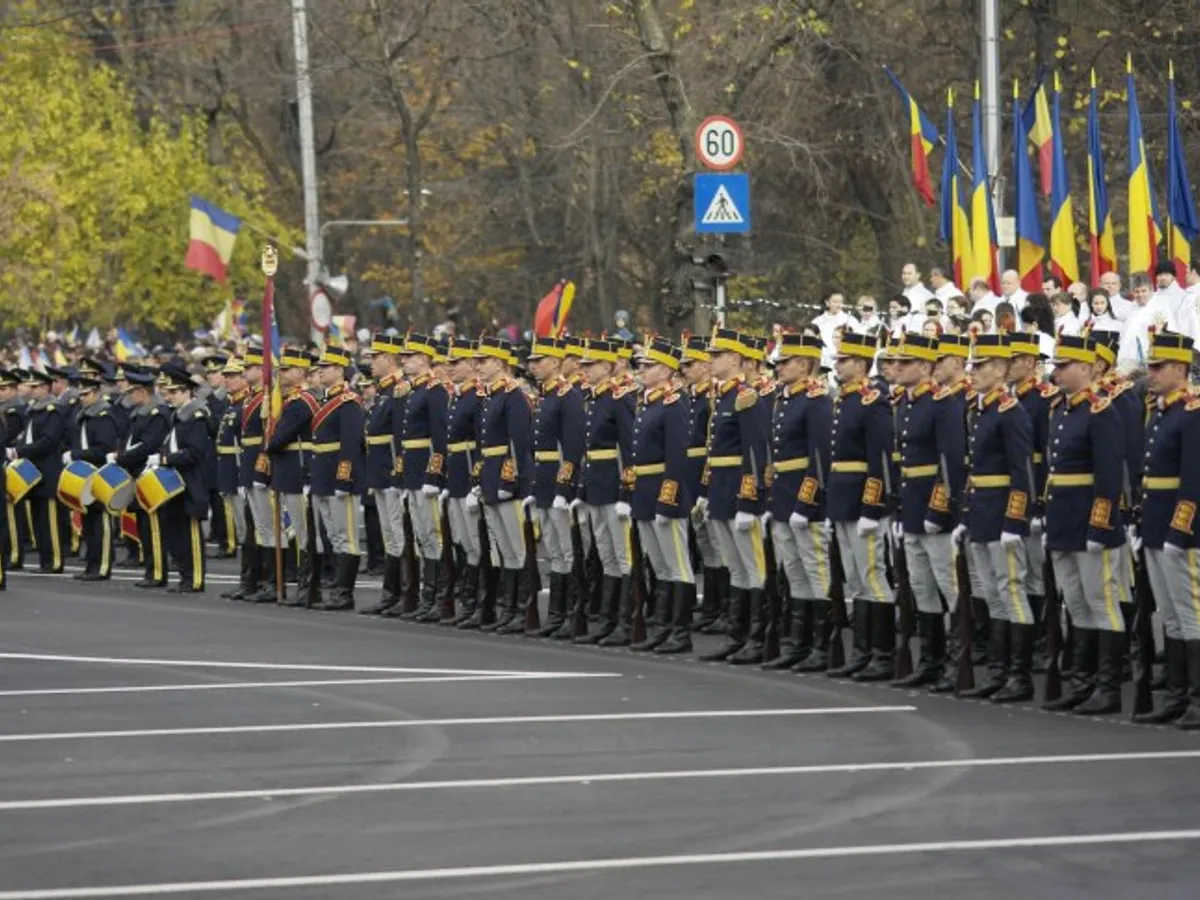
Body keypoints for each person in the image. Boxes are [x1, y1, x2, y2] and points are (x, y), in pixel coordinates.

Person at [1042, 334, 1129, 715]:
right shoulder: (1060, 410)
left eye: (1063, 366)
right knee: (1075, 604)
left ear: (1084, 368)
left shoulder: (1100, 411)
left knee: (1101, 601)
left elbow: (1109, 477)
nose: (1057, 372)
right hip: (1063, 519)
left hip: (1090, 522)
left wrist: (1100, 525)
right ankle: (1083, 680)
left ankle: (1107, 688)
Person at [957, 334, 1036, 701]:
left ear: (1002, 369)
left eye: (981, 366)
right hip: (982, 512)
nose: (973, 372)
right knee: (992, 594)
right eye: (972, 365)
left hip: (1003, 510)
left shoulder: (1010, 412)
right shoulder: (983, 409)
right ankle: (1000, 670)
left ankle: (1019, 676)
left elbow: (1022, 473)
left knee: (1011, 591)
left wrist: (1014, 521)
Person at [888, 332, 966, 688]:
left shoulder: (942, 403)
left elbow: (949, 462)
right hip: (911, 507)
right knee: (921, 587)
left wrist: (939, 509)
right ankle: (930, 660)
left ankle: (957, 661)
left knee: (949, 587)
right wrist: (902, 512)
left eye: (905, 363)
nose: (897, 368)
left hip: (935, 511)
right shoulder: (904, 403)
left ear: (924, 367)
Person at [821, 332, 895, 679]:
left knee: (873, 577)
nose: (837, 364)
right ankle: (862, 651)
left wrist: (872, 507)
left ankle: (882, 654)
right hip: (842, 499)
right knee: (855, 579)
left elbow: (879, 459)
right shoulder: (842, 400)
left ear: (862, 364)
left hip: (863, 501)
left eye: (844, 360)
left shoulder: (872, 401)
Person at [1137, 332, 1199, 727]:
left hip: (1183, 531)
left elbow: (1192, 480)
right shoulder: (1160, 411)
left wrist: (1180, 532)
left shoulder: (1191, 412)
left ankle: (1196, 697)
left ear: (1179, 369)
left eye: (1159, 367)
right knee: (1171, 615)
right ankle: (1177, 694)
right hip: (1157, 524)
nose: (1152, 373)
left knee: (1192, 615)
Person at [762, 332, 834, 671]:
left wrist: (806, 504)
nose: (779, 368)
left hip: (804, 498)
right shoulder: (785, 399)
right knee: (794, 572)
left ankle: (822, 646)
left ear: (805, 365)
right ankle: (798, 642)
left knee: (816, 570)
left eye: (786, 362)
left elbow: (818, 457)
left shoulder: (816, 400)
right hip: (783, 494)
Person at [625, 337, 694, 652]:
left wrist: (668, 497)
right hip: (644, 491)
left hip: (665, 493)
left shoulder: (673, 403)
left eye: (650, 365)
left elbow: (677, 456)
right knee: (660, 564)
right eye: (642, 365)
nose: (643, 369)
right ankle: (663, 628)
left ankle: (679, 633)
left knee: (677, 563)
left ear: (667, 370)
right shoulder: (649, 401)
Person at [525, 336, 585, 638]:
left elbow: (572, 447)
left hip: (559, 480)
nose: (534, 366)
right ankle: (557, 615)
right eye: (533, 362)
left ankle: (573, 615)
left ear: (556, 363)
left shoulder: (567, 396)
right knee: (555, 552)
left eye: (540, 361)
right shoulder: (546, 395)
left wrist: (564, 487)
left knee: (567, 550)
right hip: (544, 479)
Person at [474, 336, 535, 633]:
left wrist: (509, 480)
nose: (478, 367)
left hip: (505, 478)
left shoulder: (513, 396)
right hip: (491, 474)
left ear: (499, 363)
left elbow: (519, 443)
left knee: (518, 548)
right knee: (505, 549)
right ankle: (509, 607)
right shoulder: (492, 395)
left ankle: (524, 609)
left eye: (483, 361)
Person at [394, 333, 449, 622]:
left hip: (426, 468)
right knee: (422, 536)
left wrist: (435, 472)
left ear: (425, 359)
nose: (405, 360)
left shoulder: (434, 390)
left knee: (434, 535)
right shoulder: (413, 390)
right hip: (413, 471)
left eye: (410, 356)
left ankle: (438, 597)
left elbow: (440, 437)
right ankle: (427, 596)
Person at [260, 348, 319, 606]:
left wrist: (268, 444)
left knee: (303, 532)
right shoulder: (289, 400)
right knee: (294, 529)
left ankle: (308, 587)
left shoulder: (301, 402)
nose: (281, 375)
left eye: (286, 370)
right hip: (287, 470)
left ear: (300, 372)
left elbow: (280, 437)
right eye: (280, 370)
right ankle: (300, 585)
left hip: (297, 470)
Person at [310, 345, 366, 611]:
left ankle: (344, 593)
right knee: (333, 534)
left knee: (347, 536)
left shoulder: (349, 402)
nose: (319, 372)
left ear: (339, 370)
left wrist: (344, 478)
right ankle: (336, 587)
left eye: (325, 368)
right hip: (323, 474)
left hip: (339, 476)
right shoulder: (324, 400)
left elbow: (351, 443)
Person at [152, 363, 211, 593]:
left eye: (174, 392)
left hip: (191, 481)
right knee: (175, 532)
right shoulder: (178, 416)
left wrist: (165, 460)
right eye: (168, 392)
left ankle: (194, 578)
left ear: (187, 391)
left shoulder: (196, 416)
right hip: (174, 482)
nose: (170, 396)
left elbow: (194, 452)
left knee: (191, 534)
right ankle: (184, 575)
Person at [360, 332, 404, 616]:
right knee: (389, 535)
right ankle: (391, 593)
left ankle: (399, 593)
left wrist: (397, 471)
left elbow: (400, 436)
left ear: (389, 359)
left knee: (398, 535)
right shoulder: (384, 391)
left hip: (391, 471)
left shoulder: (398, 391)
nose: (371, 363)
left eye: (376, 358)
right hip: (379, 471)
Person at [67, 368, 119, 581]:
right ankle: (91, 564)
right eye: (80, 395)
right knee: (88, 522)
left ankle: (103, 565)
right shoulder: (83, 415)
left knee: (102, 522)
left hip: (100, 472)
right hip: (84, 473)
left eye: (86, 394)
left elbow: (104, 447)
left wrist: (76, 454)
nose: (82, 398)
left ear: (97, 393)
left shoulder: (103, 414)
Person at [11, 369, 65, 573]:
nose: (31, 390)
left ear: (45, 387)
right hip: (32, 472)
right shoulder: (34, 410)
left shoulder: (52, 410)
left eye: (35, 387)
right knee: (38, 520)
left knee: (49, 520)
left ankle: (55, 560)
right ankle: (45, 559)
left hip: (47, 470)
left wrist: (20, 451)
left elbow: (48, 441)